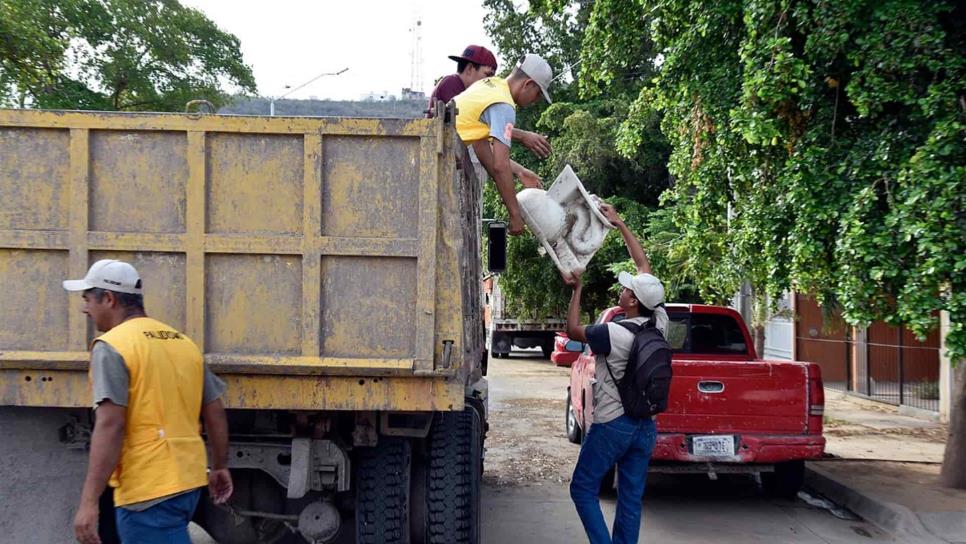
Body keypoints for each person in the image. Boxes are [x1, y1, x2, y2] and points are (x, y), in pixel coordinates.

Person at [64, 259, 233, 544]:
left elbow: (110, 425)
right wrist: (219, 466)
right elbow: (214, 409)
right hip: (188, 480)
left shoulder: (113, 346)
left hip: (149, 487)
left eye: (87, 298)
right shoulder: (181, 342)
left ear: (109, 298)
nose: (85, 308)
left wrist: (89, 501)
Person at [564, 203, 668, 544]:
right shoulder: (660, 323)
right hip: (645, 427)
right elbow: (644, 268)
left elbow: (573, 329)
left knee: (582, 488)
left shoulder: (615, 333)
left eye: (626, 289)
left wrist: (577, 289)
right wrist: (620, 224)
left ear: (634, 302)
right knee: (630, 498)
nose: (621, 290)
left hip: (612, 424)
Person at [453, 53, 554, 235]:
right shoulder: (504, 105)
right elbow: (500, 165)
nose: (536, 100)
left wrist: (519, 173)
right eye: (538, 94)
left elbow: (481, 146)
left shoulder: (490, 85)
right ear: (528, 84)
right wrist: (515, 215)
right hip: (443, 159)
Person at [428, 45, 552, 160]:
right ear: (470, 68)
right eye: (487, 75)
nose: (489, 81)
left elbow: (485, 141)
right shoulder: (452, 83)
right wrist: (523, 136)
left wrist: (520, 171)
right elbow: (491, 131)